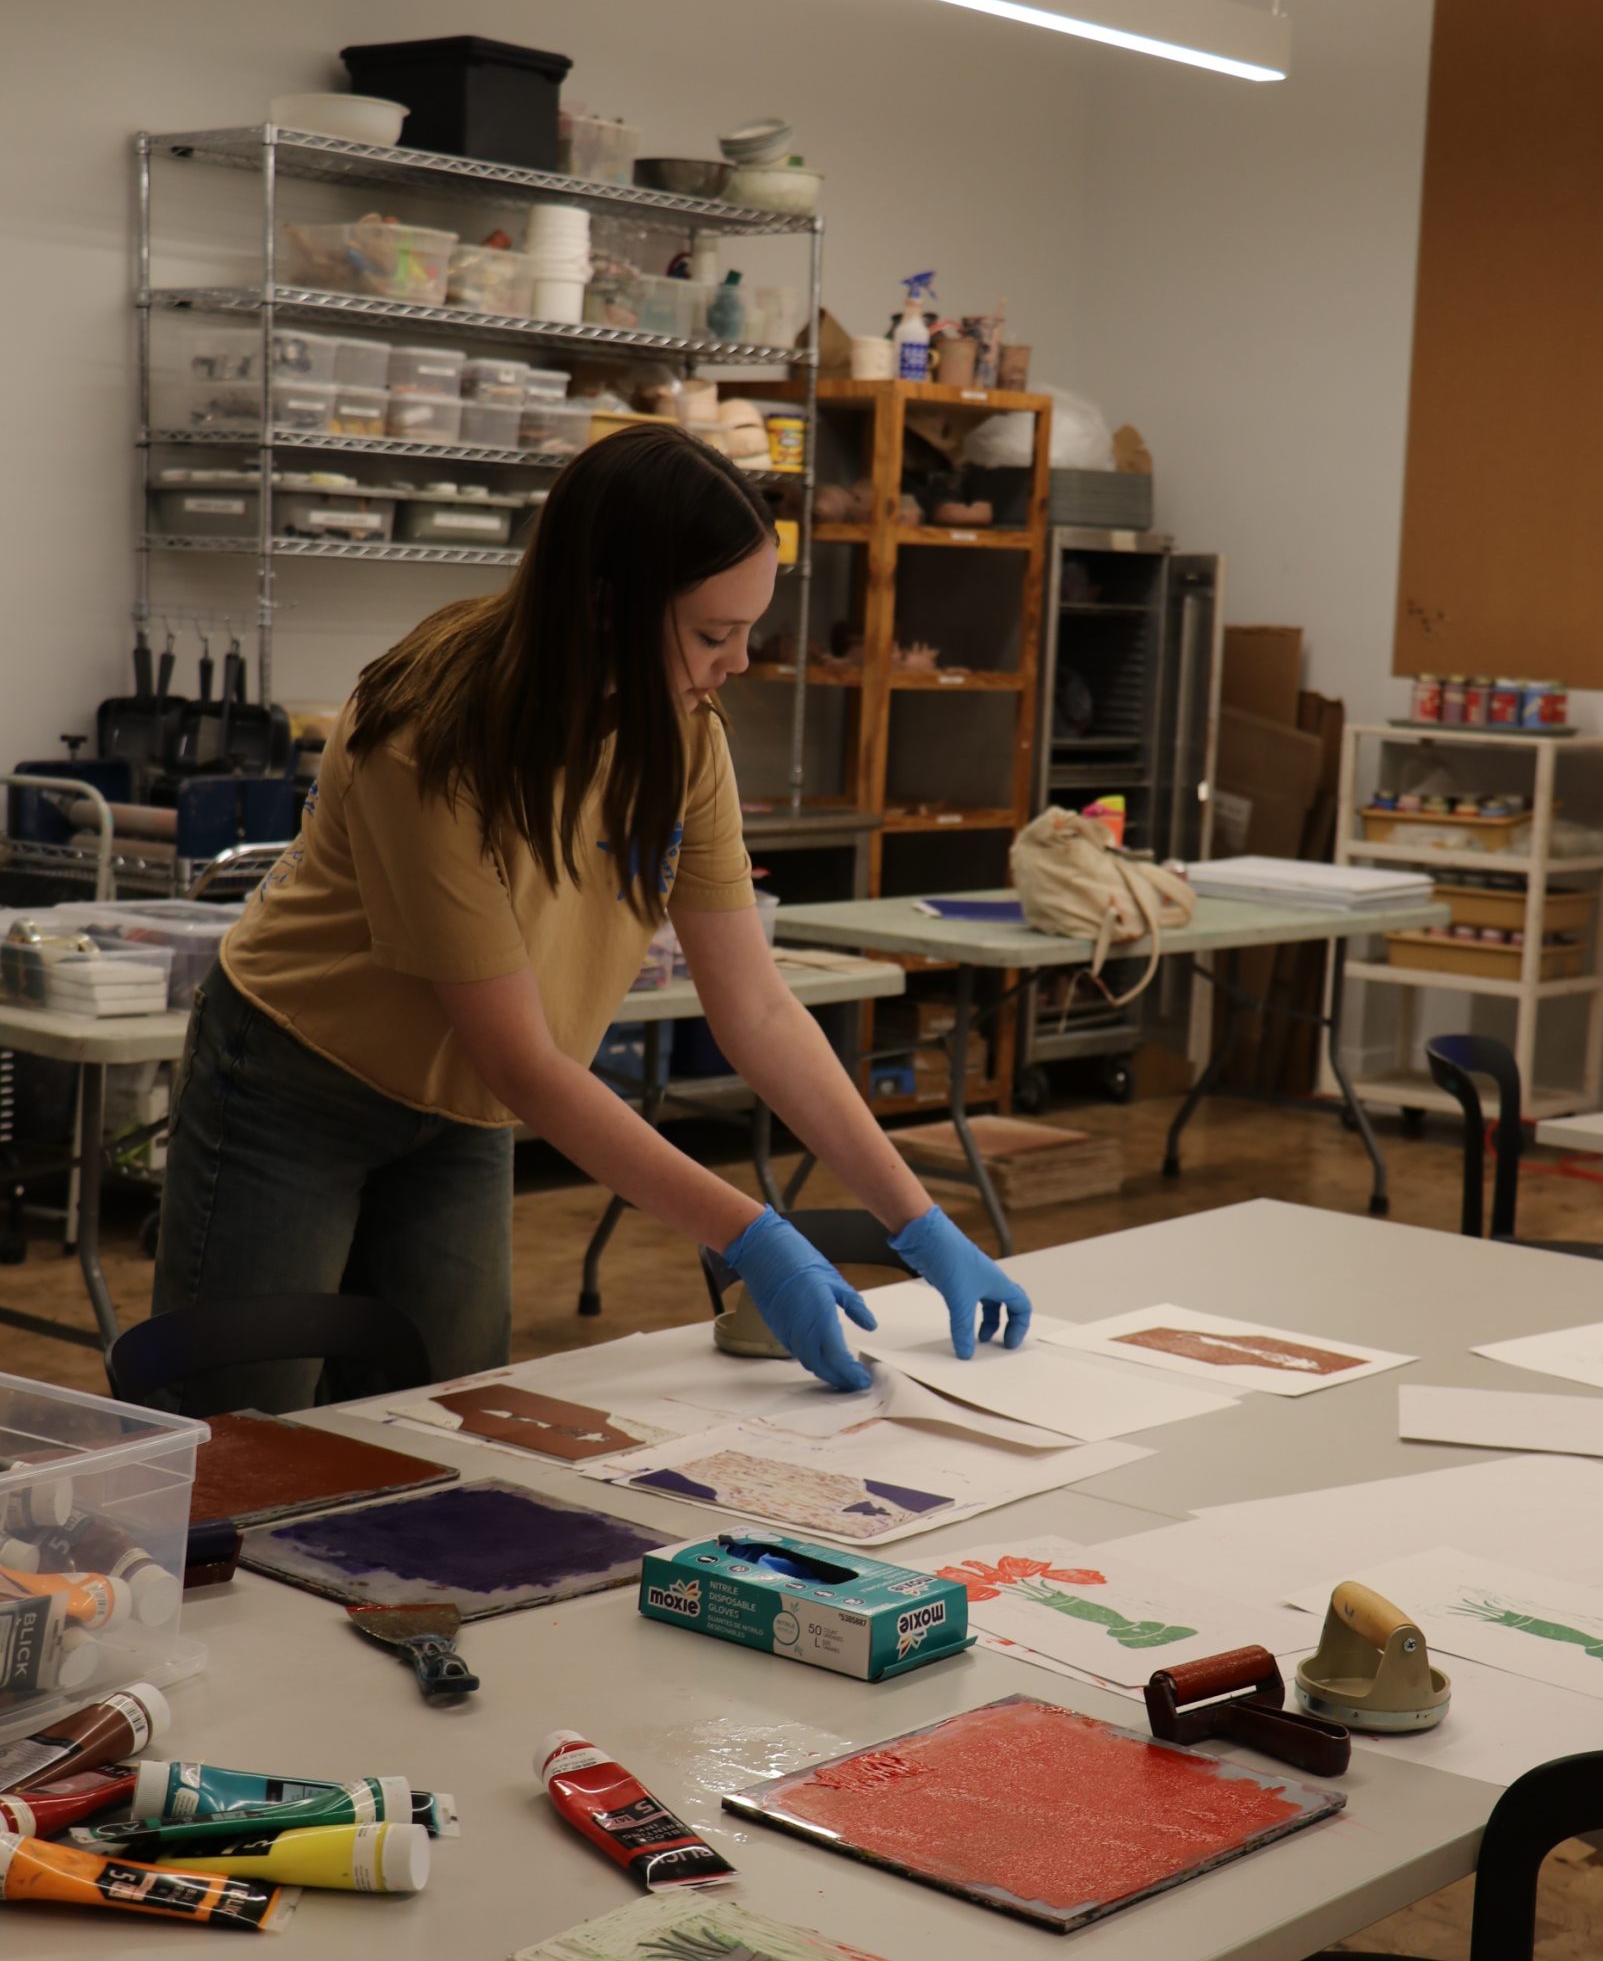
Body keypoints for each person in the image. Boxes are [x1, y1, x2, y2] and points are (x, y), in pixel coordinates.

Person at [152, 423, 1030, 1414]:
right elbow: (522, 1058)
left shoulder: (686, 737)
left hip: (467, 1109)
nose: (740, 661)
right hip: (295, 1080)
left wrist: (919, 1222)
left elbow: (756, 1009)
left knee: (447, 1421)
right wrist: (749, 1233)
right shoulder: (430, 734)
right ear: (606, 605)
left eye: (750, 628)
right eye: (711, 633)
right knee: (241, 1434)